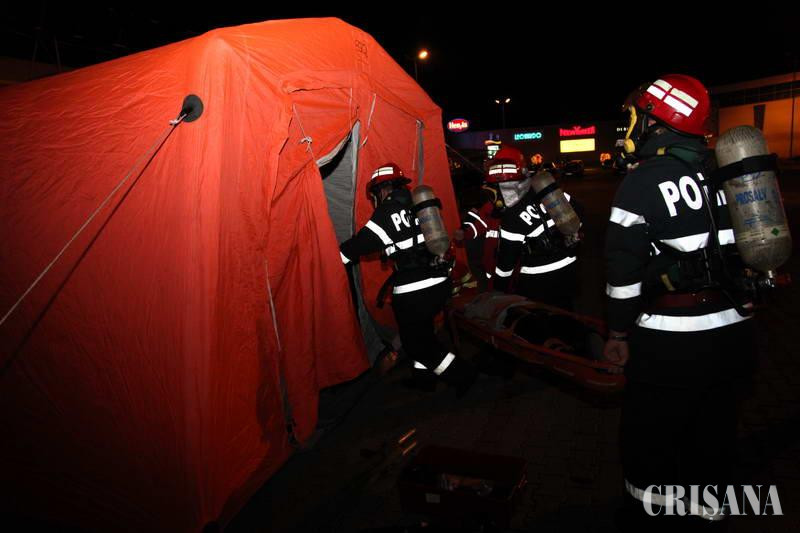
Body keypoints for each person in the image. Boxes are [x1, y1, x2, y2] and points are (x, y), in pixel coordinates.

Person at [603, 74, 756, 529]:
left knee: (649, 442)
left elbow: (623, 275)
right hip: (733, 334)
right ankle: (709, 511)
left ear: (655, 121)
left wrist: (617, 332)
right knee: (714, 435)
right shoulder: (727, 171)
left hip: (670, 345)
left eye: (638, 115)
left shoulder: (641, 182)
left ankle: (649, 516)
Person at [340, 163, 476, 394]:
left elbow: (361, 245)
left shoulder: (387, 211)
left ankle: (463, 375)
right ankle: (424, 380)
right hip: (439, 280)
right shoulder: (419, 204)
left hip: (414, 290)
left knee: (416, 344)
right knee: (423, 333)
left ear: (381, 190)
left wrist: (334, 258)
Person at [490, 146, 579, 310]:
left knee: (539, 320)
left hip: (538, 279)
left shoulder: (511, 215)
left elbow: (506, 264)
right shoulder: (546, 190)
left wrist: (497, 291)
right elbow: (579, 212)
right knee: (567, 314)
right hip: (570, 267)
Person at [454, 184, 502, 291]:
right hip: (491, 269)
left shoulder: (516, 210)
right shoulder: (486, 211)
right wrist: (463, 232)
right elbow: (474, 225)